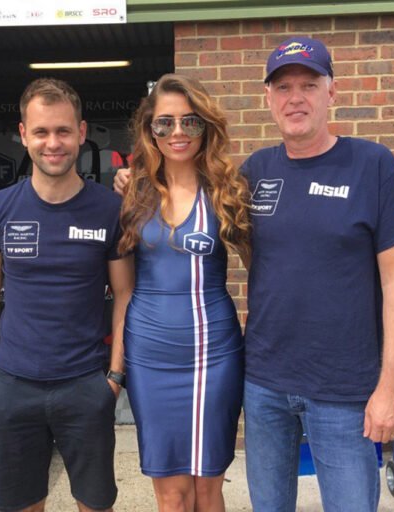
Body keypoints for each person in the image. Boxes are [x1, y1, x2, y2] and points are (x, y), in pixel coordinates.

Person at [115, 38, 394, 511]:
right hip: (264, 385)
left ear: (332, 92)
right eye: (283, 87)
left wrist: (391, 387)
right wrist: (132, 180)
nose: (295, 97)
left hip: (344, 390)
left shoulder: (372, 164)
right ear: (269, 97)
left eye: (309, 84)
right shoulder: (253, 174)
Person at [0, 77, 134, 512]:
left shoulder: (108, 209)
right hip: (12, 387)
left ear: (81, 133)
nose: (52, 143)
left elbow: (125, 294)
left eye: (63, 131)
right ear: (23, 135)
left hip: (84, 385)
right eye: (41, 132)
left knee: (95, 504)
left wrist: (114, 379)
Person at [117, 73, 251, 512]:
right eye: (165, 123)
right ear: (149, 129)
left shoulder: (226, 191)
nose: (177, 133)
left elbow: (266, 268)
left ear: (205, 127)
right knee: (171, 494)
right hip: (150, 356)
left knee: (208, 488)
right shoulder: (130, 192)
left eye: (190, 122)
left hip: (214, 354)